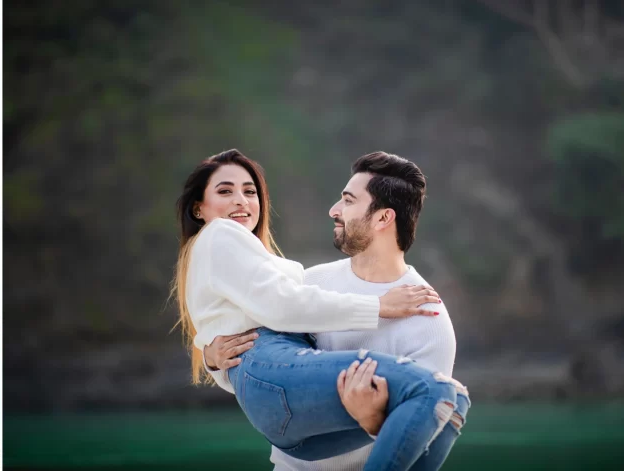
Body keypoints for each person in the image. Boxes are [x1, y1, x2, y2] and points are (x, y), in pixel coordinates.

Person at [172, 149, 470, 471]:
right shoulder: (312, 283)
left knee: (449, 399)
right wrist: (213, 357)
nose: (333, 210)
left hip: (324, 447)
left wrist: (372, 420)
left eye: (348, 201)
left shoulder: (428, 321)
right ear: (198, 208)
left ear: (384, 217)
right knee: (440, 392)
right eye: (226, 191)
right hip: (293, 457)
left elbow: (418, 435)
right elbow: (264, 357)